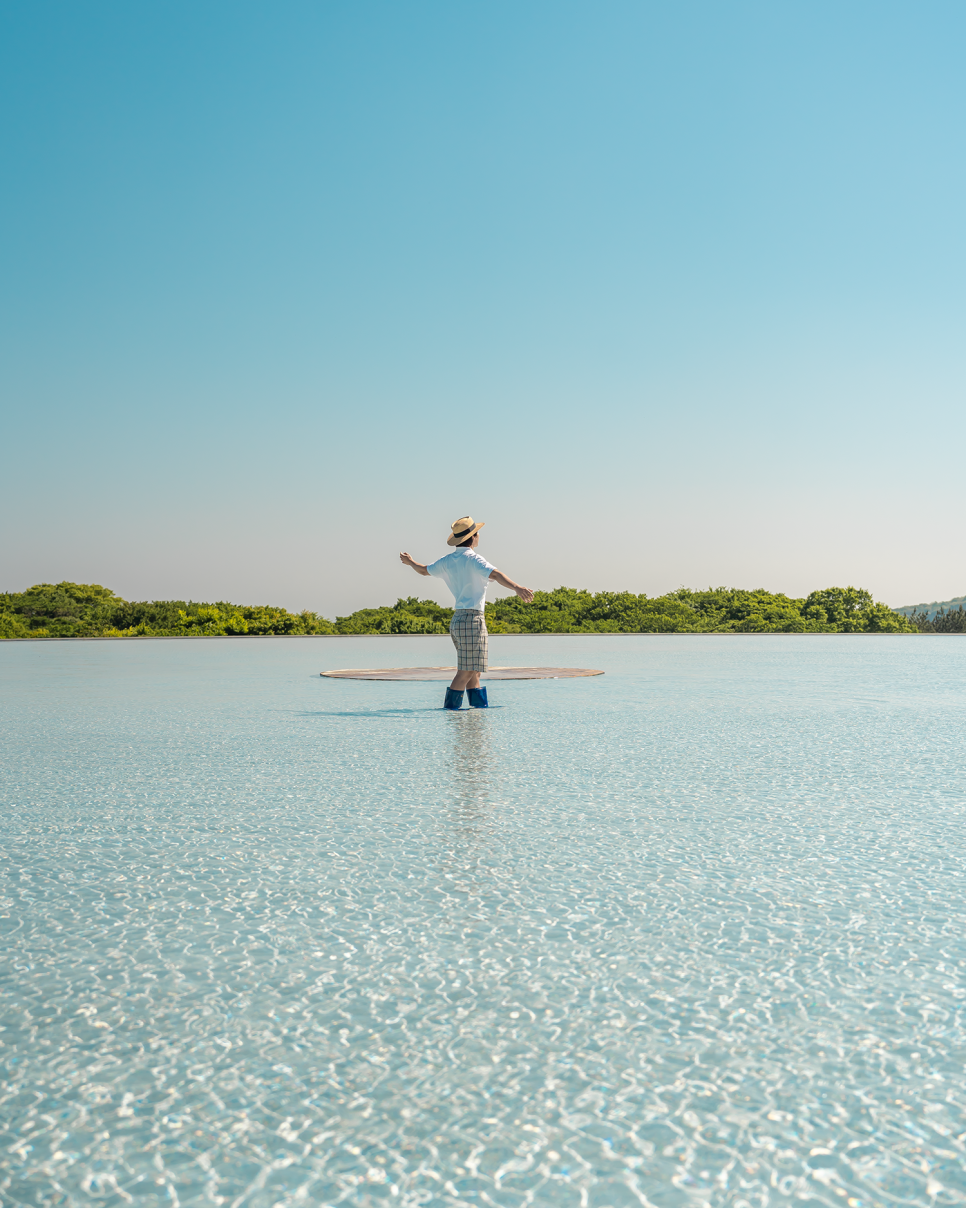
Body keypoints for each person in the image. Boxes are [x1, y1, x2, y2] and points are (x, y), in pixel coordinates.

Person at [400, 516, 533, 710]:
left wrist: (410, 562)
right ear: (474, 537)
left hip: (458, 621)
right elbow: (495, 574)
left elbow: (423, 570)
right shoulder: (474, 559)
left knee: (474, 671)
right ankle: (451, 713)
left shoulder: (447, 561)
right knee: (466, 671)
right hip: (472, 619)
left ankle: (478, 713)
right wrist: (517, 588)